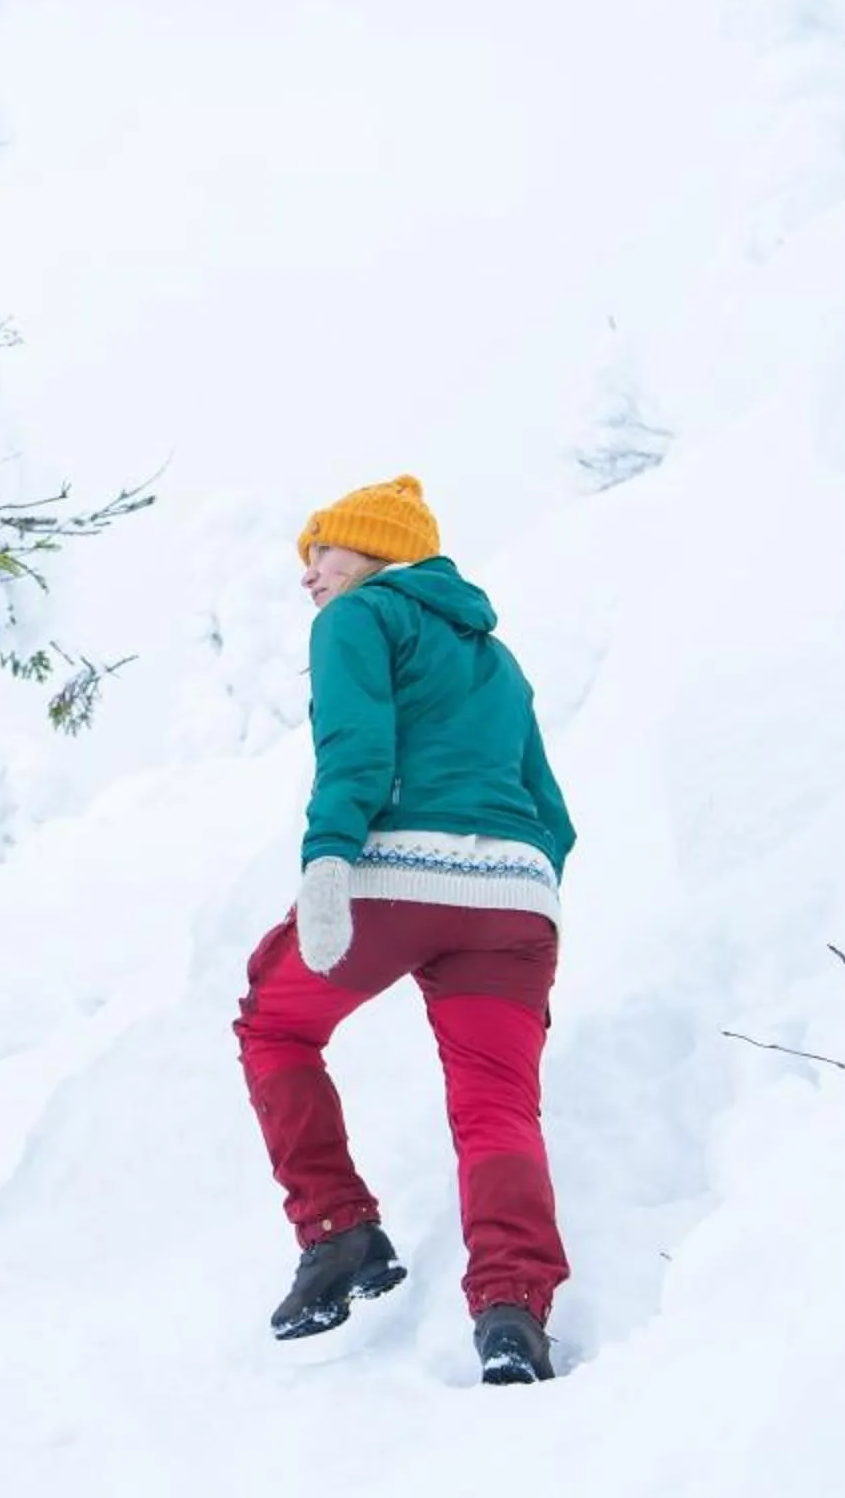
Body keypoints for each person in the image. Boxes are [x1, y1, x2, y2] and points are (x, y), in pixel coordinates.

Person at [232, 475, 577, 1385]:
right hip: (516, 898)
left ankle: (339, 1231)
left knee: (275, 1024)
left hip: (396, 878)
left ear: (379, 554)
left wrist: (329, 860)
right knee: (496, 1108)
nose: (310, 576)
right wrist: (534, 895)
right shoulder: (496, 657)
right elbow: (550, 805)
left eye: (325, 554)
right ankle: (513, 1312)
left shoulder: (361, 618)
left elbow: (357, 747)